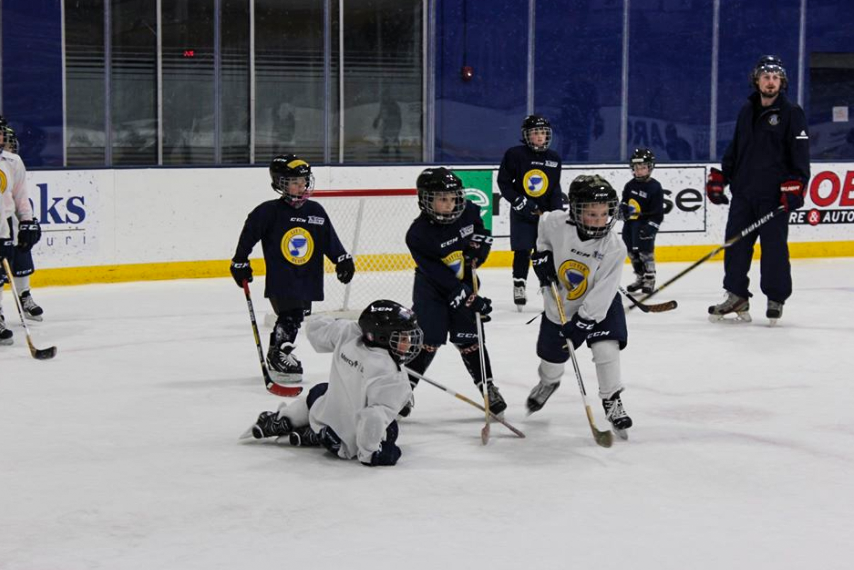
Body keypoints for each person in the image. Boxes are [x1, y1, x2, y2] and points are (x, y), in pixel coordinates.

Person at [242, 300, 424, 468]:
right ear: (382, 337)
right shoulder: (394, 379)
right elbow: (374, 417)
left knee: (320, 391)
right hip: (341, 444)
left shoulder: (348, 334)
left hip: (322, 417)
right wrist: (372, 454)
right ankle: (314, 436)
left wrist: (348, 326)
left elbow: (315, 328)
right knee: (391, 430)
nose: (408, 344)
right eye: (403, 338)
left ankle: (281, 420)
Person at [230, 154, 355, 383]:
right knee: (291, 314)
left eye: (304, 181)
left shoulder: (315, 211)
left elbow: (329, 240)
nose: (302, 186)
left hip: (307, 276)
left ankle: (279, 350)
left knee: (296, 316)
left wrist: (342, 258)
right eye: (295, 182)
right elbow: (248, 236)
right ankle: (279, 352)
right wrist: (240, 261)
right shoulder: (268, 212)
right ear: (280, 184)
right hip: (282, 276)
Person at [706, 55, 810, 324]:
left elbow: (800, 155)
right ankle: (737, 295)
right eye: (766, 76)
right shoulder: (747, 110)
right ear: (757, 80)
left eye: (775, 77)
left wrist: (796, 184)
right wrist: (722, 176)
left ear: (782, 82)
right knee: (736, 246)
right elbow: (737, 148)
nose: (771, 81)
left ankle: (776, 298)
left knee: (774, 249)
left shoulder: (791, 113)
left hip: (773, 197)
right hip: (744, 194)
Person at [527, 175, 633, 436]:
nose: (599, 220)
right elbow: (543, 234)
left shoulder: (614, 246)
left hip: (600, 305)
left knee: (606, 349)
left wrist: (585, 322)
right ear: (574, 211)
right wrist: (541, 257)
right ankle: (548, 382)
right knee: (552, 360)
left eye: (603, 214)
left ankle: (612, 399)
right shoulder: (555, 223)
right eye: (591, 214)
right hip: (561, 302)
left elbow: (604, 291)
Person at [404, 167, 506, 416]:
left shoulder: (469, 210)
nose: (450, 205)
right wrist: (470, 299)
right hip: (432, 289)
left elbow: (483, 232)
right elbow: (437, 275)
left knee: (470, 339)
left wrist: (477, 252)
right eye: (442, 199)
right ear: (426, 200)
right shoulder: (418, 234)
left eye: (453, 198)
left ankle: (487, 387)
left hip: (464, 278)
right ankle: (402, 391)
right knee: (427, 340)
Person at [497, 115, 563, 310]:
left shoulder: (554, 159)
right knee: (522, 250)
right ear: (526, 136)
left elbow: (554, 189)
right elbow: (504, 182)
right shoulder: (515, 154)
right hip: (522, 213)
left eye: (543, 133)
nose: (540, 136)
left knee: (544, 252)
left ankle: (547, 285)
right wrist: (520, 202)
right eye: (535, 133)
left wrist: (556, 212)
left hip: (545, 216)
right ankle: (519, 283)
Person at [1, 124, 44, 346]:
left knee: (19, 254)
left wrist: (27, 221)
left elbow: (20, 196)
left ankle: (23, 294)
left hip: (6, 221)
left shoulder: (12, 162)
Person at [621, 148, 664, 294]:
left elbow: (658, 213)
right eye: (636, 168)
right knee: (632, 253)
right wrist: (623, 208)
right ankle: (640, 277)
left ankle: (650, 279)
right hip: (630, 224)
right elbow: (625, 202)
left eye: (643, 168)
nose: (639, 171)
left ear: (650, 168)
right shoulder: (629, 185)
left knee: (646, 252)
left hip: (645, 223)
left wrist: (651, 226)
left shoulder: (655, 187)